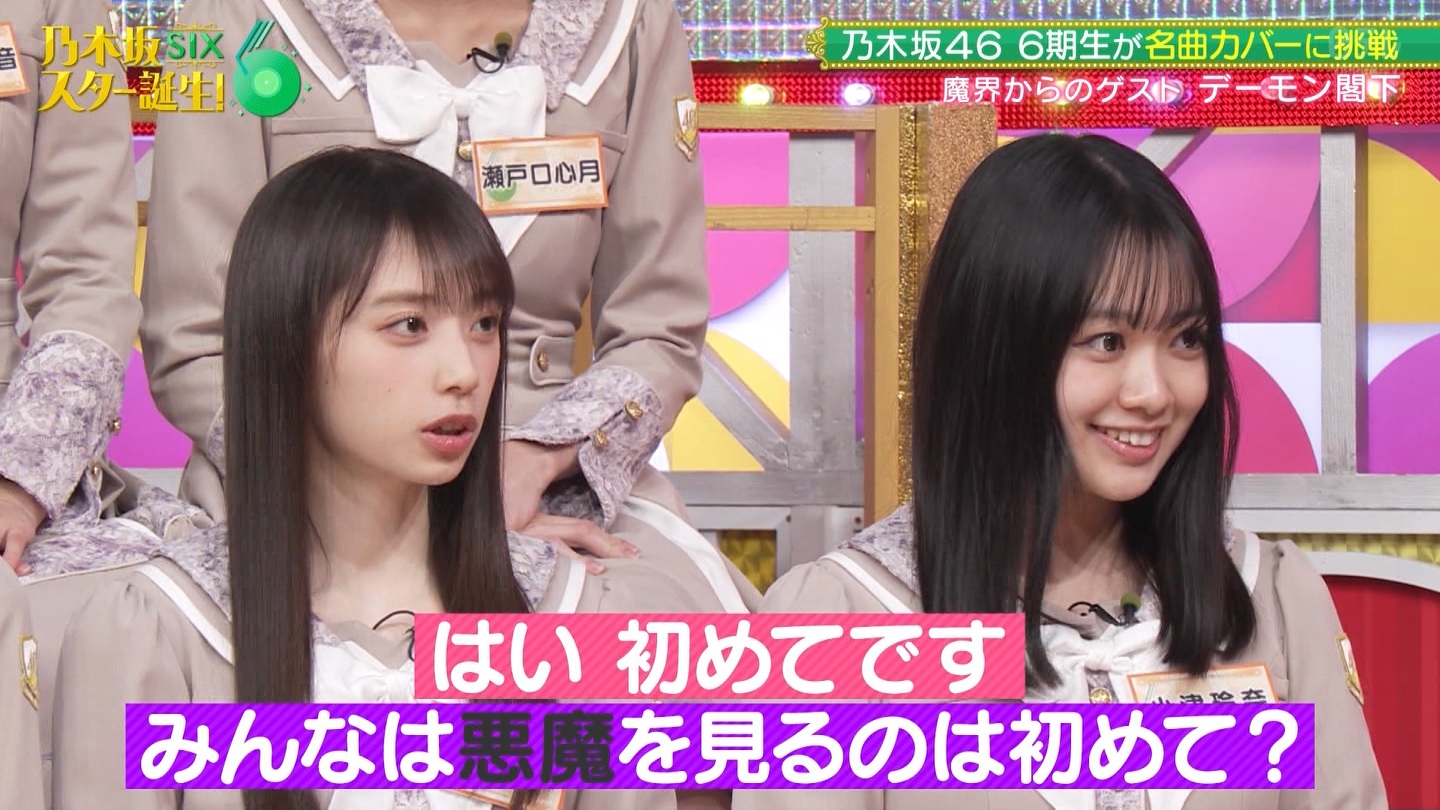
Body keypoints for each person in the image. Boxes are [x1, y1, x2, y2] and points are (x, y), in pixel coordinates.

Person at [51, 147, 728, 810]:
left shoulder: (576, 616)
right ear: (288, 340)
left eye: (484, 324)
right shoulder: (157, 629)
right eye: (409, 325)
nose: (463, 371)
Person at [731, 134, 1388, 810]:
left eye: (1186, 339)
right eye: (1107, 342)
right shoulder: (841, 624)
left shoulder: (1271, 599)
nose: (1153, 393)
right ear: (994, 353)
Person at [139, 0, 757, 612]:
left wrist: (535, 463)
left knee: (654, 631)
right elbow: (195, 342)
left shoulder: (630, 22)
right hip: (298, 484)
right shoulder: (234, 19)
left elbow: (660, 330)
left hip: (547, 483)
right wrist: (396, 504)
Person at [0, 1, 206, 806]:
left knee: (137, 630)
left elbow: (86, 276)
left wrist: (24, 477)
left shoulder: (60, 12)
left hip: (15, 465)